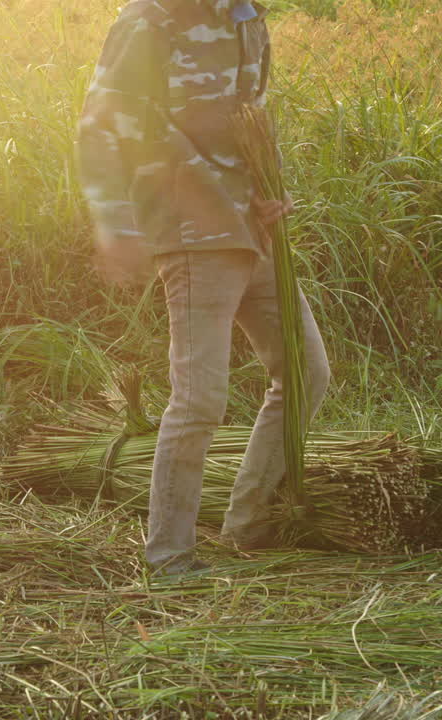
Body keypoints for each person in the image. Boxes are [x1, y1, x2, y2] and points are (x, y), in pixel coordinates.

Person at [77, 0, 330, 575]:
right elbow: (100, 125)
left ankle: (246, 527)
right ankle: (169, 557)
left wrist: (270, 186)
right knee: (200, 399)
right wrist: (115, 224)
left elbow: (252, 115)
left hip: (253, 226)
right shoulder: (149, 21)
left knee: (306, 372)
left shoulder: (246, 18)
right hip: (193, 230)